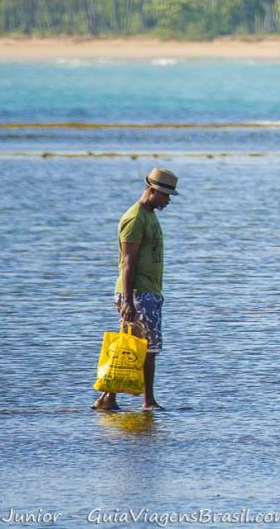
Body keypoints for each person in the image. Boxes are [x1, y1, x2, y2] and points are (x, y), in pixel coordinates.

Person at [93, 167, 178, 411]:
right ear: (151, 191)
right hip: (137, 292)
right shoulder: (135, 218)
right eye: (164, 196)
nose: (167, 201)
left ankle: (108, 398)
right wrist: (128, 301)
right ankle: (147, 401)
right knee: (147, 348)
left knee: (132, 346)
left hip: (147, 292)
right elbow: (127, 263)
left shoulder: (149, 215)